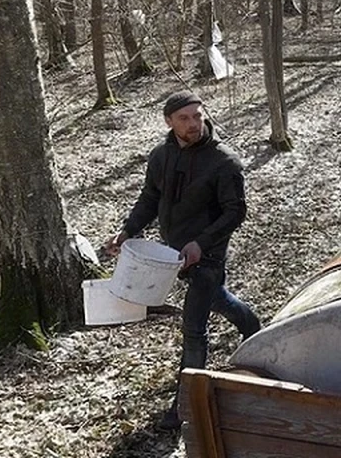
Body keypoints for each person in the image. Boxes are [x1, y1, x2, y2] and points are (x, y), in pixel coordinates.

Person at [105, 91, 261, 430]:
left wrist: (201, 245)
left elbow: (236, 212)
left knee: (194, 328)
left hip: (208, 252)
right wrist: (127, 231)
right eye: (184, 119)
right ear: (169, 122)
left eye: (197, 116)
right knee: (217, 299)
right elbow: (150, 197)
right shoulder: (161, 156)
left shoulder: (225, 162)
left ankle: (184, 408)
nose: (193, 124)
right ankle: (252, 326)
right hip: (173, 252)